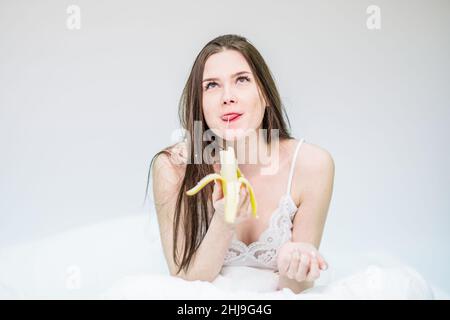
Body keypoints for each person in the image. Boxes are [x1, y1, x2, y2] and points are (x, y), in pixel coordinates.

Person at [147, 34, 335, 294]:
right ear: (199, 104)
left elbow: (297, 289)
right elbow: (185, 284)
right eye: (211, 85)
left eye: (242, 80)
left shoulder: (312, 165)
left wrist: (295, 264)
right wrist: (225, 220)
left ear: (266, 94)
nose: (227, 97)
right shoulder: (173, 168)